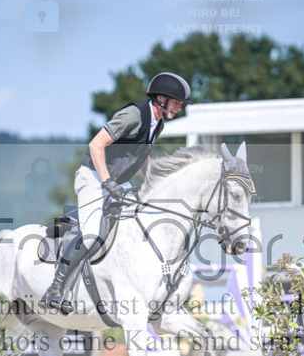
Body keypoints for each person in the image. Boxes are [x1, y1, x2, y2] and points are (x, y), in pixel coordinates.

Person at [42, 72, 193, 313]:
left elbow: (143, 157)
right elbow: (96, 145)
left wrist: (152, 185)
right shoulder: (134, 115)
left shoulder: (158, 123)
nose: (179, 108)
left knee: (142, 221)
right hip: (93, 177)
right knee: (92, 234)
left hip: (117, 183)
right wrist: (106, 182)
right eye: (176, 102)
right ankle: (56, 288)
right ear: (161, 98)